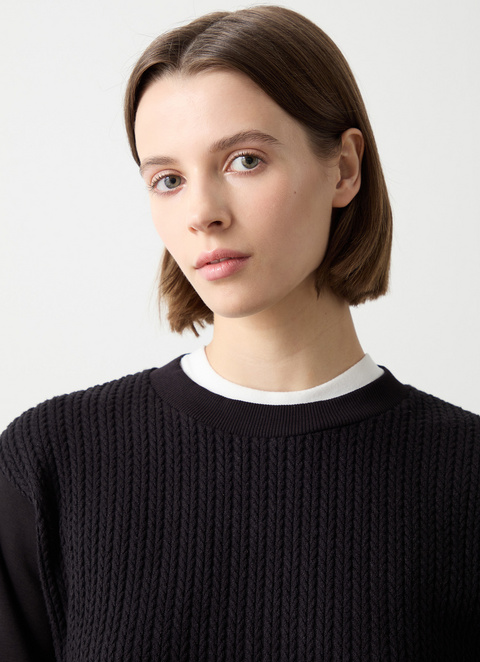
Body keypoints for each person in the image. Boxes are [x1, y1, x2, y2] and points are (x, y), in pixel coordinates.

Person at [1, 5, 479, 660]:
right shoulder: (50, 463)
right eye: (168, 179)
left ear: (344, 169)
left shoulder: (465, 476)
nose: (202, 213)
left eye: (245, 160)